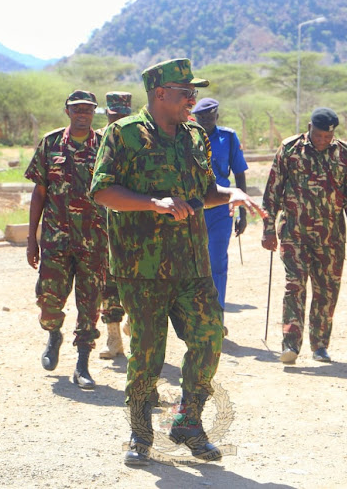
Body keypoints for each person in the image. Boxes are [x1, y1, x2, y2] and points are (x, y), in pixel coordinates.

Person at [90, 58, 265, 466]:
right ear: (160, 94)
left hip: (192, 261)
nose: (193, 99)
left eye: (194, 92)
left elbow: (203, 192)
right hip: (142, 266)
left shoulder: (194, 137)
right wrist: (153, 203)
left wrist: (230, 195)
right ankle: (140, 432)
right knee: (148, 352)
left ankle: (188, 422)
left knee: (208, 337)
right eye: (186, 92)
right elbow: (102, 191)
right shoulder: (124, 134)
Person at [261, 108, 347, 365]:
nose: (322, 140)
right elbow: (272, 191)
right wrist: (268, 229)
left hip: (331, 236)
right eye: (318, 135)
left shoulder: (345, 153)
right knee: (294, 286)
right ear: (309, 128)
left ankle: (319, 345)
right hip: (295, 233)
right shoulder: (290, 149)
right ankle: (290, 344)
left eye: (327, 137)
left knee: (326, 291)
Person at [25, 90, 105, 389]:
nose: (82, 113)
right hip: (56, 241)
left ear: (94, 112)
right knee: (49, 301)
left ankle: (83, 362)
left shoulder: (106, 146)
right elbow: (39, 192)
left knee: (90, 303)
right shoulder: (51, 143)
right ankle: (53, 333)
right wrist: (32, 239)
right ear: (67, 111)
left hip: (94, 242)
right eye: (77, 109)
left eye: (88, 109)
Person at [190, 98, 248, 319]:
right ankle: (196, 315)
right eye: (201, 117)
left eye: (209, 116)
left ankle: (217, 314)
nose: (205, 120)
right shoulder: (186, 137)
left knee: (217, 262)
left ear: (217, 116)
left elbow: (239, 174)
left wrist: (241, 212)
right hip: (193, 207)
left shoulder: (229, 138)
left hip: (221, 209)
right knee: (192, 262)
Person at [96, 91, 132, 359]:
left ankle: (133, 321)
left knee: (135, 279)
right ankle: (113, 337)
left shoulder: (139, 140)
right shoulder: (96, 141)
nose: (117, 119)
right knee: (107, 283)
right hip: (101, 224)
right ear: (107, 114)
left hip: (134, 223)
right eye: (113, 115)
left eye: (122, 115)